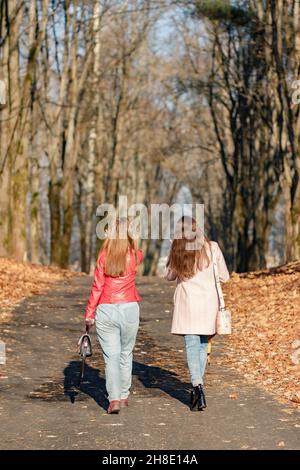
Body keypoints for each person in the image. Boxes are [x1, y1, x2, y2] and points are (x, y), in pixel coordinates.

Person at [166, 216, 229, 411]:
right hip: (208, 303)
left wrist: (173, 251)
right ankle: (198, 385)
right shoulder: (212, 247)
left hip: (188, 304)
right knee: (202, 344)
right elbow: (224, 277)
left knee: (193, 344)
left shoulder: (178, 249)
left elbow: (169, 276)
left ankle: (197, 386)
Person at [84, 217, 143, 414]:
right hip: (129, 308)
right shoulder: (135, 255)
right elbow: (138, 250)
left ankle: (114, 399)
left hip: (106, 309)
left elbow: (97, 286)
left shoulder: (103, 256)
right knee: (126, 353)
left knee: (112, 357)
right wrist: (132, 237)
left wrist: (89, 313)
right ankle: (124, 395)